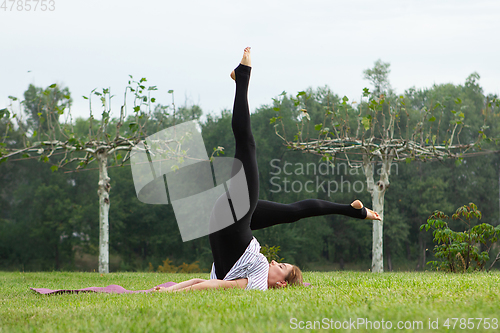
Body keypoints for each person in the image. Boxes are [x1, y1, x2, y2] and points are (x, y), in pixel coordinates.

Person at [155, 47, 381, 293]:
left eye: (281, 265)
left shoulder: (259, 278)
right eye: (280, 262)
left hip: (229, 220)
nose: (273, 260)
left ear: (281, 282)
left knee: (247, 145)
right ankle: (351, 211)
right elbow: (205, 282)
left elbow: (214, 286)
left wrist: (170, 292)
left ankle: (242, 77)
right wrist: (170, 290)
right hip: (227, 220)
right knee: (292, 212)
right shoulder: (255, 273)